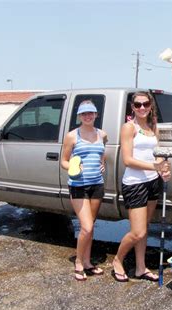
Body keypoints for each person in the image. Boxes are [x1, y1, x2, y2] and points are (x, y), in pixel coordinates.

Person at [111, 91, 171, 282]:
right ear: (132, 107)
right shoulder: (129, 128)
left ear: (150, 105)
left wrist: (163, 168)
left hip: (152, 182)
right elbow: (128, 160)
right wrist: (155, 166)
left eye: (145, 104)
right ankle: (117, 260)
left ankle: (140, 267)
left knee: (144, 227)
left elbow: (158, 154)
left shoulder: (154, 127)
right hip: (135, 184)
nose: (142, 108)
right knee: (138, 232)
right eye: (138, 105)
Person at [61, 100, 108, 281]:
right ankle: (79, 263)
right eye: (84, 114)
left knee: (91, 226)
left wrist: (102, 163)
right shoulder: (72, 136)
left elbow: (102, 151)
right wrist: (72, 167)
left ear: (96, 115)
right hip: (78, 185)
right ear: (79, 116)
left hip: (97, 184)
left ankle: (88, 262)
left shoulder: (102, 134)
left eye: (91, 113)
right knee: (86, 227)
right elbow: (64, 160)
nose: (88, 116)